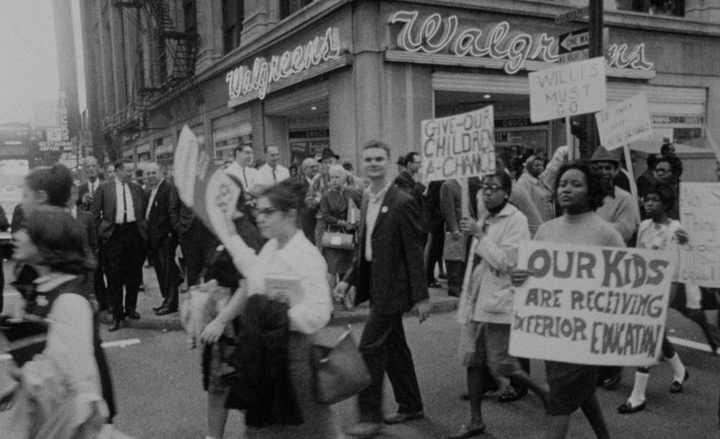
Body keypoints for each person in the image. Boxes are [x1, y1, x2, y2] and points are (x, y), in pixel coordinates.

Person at [201, 179, 339, 439]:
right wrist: (229, 233)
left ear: (290, 215)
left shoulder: (306, 256)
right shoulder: (273, 247)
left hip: (294, 358)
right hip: (270, 355)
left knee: (302, 428)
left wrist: (276, 317)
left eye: (267, 212)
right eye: (257, 211)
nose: (259, 218)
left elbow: (319, 312)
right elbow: (253, 274)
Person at [511, 162, 622, 439]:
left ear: (591, 191)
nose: (567, 189)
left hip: (586, 334)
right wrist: (520, 277)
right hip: (554, 332)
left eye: (576, 184)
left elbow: (625, 284)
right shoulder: (547, 230)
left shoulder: (605, 233)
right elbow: (532, 276)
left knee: (559, 398)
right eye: (563, 184)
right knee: (579, 390)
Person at [334, 140, 430, 438]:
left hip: (394, 289)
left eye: (379, 159)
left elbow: (414, 253)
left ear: (388, 163)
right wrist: (349, 279)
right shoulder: (365, 198)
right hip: (376, 283)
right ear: (362, 164)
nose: (373, 163)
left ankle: (370, 415)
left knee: (369, 348)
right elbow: (363, 247)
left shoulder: (402, 201)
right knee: (395, 348)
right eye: (368, 159)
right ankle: (411, 404)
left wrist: (422, 297)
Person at [0, 206, 114, 438]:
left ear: (47, 243)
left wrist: (21, 375)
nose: (17, 236)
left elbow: (71, 380)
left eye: (27, 231)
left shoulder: (69, 300)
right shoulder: (46, 290)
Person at [450, 172, 548, 439]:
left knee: (502, 363)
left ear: (507, 192)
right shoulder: (484, 216)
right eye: (485, 188)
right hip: (476, 298)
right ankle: (475, 420)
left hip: (499, 300)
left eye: (494, 188)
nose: (488, 192)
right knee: (472, 359)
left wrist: (480, 236)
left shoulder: (516, 220)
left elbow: (505, 262)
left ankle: (546, 394)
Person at [617, 182, 690, 414]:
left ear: (666, 203)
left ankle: (638, 396)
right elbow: (639, 255)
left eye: (654, 200)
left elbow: (687, 251)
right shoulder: (645, 225)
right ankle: (680, 370)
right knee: (656, 331)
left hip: (667, 285)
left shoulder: (675, 227)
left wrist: (686, 241)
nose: (648, 204)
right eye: (646, 200)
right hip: (644, 283)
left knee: (647, 332)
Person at [91, 158, 148, 331]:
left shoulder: (137, 189)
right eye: (128, 170)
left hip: (133, 233)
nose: (131, 173)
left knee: (133, 274)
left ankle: (131, 308)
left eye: (132, 170)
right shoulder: (104, 188)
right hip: (113, 234)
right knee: (114, 276)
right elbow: (95, 214)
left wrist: (142, 233)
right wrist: (101, 233)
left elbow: (143, 211)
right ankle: (117, 314)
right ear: (118, 171)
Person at [145, 163, 181, 315]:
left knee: (169, 271)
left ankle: (171, 303)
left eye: (154, 172)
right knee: (161, 271)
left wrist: (170, 233)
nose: (151, 176)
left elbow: (170, 213)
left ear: (161, 173)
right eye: (148, 174)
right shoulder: (150, 190)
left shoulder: (168, 188)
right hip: (155, 238)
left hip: (165, 237)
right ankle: (166, 299)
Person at [319, 164, 362, 293]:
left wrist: (356, 222)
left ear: (344, 178)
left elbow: (361, 210)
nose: (334, 180)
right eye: (332, 177)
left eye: (337, 177)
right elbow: (325, 215)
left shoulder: (353, 193)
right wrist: (341, 222)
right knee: (331, 269)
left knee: (347, 268)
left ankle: (345, 296)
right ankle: (329, 298)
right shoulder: (326, 196)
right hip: (333, 236)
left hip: (349, 236)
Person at [516, 155, 555, 222]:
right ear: (529, 166)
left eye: (541, 165)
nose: (540, 168)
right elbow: (524, 205)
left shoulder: (542, 180)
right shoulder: (523, 182)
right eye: (536, 165)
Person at [298, 157, 320, 244]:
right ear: (304, 170)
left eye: (316, 166)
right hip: (308, 223)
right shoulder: (300, 185)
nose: (315, 169)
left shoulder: (321, 182)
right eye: (312, 167)